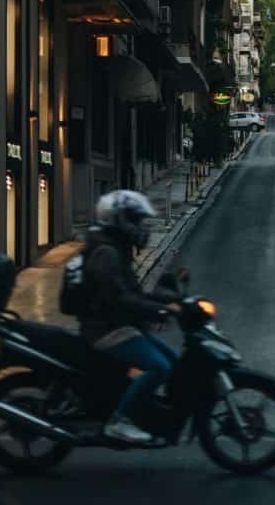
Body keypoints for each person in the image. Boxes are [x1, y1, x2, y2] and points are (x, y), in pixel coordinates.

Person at [80, 190, 184, 445]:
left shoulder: (117, 249)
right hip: (107, 328)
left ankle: (144, 411)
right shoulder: (108, 253)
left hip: (119, 325)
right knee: (159, 366)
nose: (140, 227)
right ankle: (119, 421)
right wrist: (157, 310)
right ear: (120, 220)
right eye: (135, 220)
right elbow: (120, 298)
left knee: (172, 361)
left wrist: (169, 301)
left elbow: (132, 291)